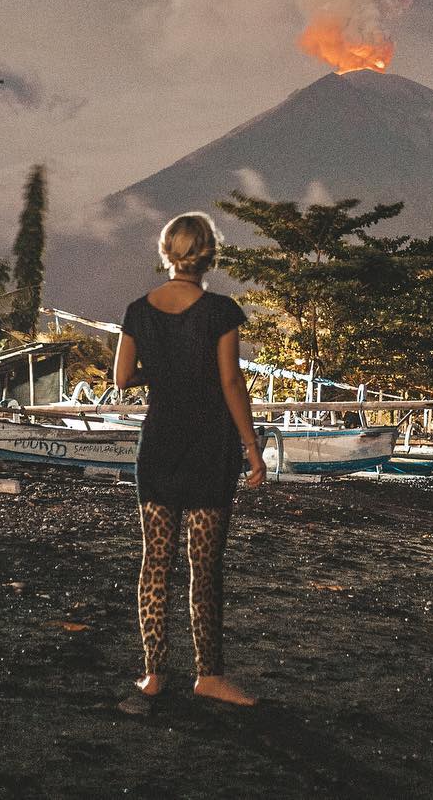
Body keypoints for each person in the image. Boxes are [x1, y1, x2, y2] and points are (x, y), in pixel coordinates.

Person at [113, 211, 266, 710]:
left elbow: (121, 377)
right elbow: (230, 383)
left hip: (157, 449)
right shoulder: (221, 311)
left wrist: (162, 369)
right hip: (209, 450)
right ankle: (209, 676)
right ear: (209, 255)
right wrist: (251, 447)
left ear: (167, 253)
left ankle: (153, 674)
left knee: (154, 563)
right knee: (205, 567)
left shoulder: (138, 310)